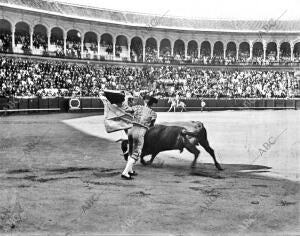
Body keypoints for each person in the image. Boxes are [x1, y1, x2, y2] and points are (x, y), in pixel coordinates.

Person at [121, 95, 158, 180]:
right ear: (152, 104)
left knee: (131, 150)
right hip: (140, 131)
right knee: (136, 152)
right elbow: (152, 125)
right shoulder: (153, 113)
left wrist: (126, 100)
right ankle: (125, 172)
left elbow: (126, 110)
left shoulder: (137, 107)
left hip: (131, 130)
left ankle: (130, 170)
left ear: (145, 102)